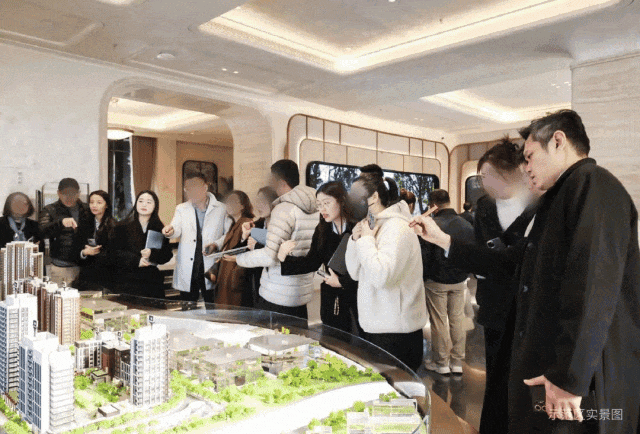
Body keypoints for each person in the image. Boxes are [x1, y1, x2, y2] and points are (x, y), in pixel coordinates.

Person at [411, 110, 640, 434]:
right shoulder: (557, 200)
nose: (526, 166)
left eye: (530, 156)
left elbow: (593, 288)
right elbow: (509, 263)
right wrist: (442, 239)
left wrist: (570, 379)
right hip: (548, 366)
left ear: (558, 141)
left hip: (581, 381)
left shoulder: (594, 186)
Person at [474, 138, 540, 434]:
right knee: (495, 377)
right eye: (482, 176)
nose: (485, 182)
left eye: (490, 175)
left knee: (523, 379)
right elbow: (480, 253)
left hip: (528, 307)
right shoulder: (484, 207)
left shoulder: (538, 204)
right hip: (494, 306)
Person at [345, 164, 427, 372]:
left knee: (398, 389)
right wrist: (355, 240)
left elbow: (382, 276)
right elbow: (355, 272)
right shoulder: (373, 224)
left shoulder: (397, 228)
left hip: (397, 334)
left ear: (373, 197)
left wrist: (366, 241)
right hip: (376, 327)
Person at [235, 160, 319, 322]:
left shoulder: (283, 209)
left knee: (271, 336)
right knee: (298, 336)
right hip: (302, 293)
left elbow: (270, 256)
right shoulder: (316, 209)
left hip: (277, 293)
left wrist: (238, 258)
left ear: (279, 182)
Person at [277, 181, 361, 336]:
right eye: (319, 204)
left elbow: (367, 268)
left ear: (341, 201)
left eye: (327, 203)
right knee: (333, 341)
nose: (322, 209)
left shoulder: (358, 227)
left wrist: (342, 282)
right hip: (331, 297)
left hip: (358, 296)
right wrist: (284, 258)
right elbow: (312, 262)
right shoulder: (322, 228)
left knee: (361, 342)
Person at [421, 189, 474, 376]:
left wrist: (424, 277)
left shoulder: (432, 225)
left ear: (433, 205)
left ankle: (442, 363)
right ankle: (457, 362)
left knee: (439, 322)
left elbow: (425, 257)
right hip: (459, 280)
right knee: (457, 320)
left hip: (436, 280)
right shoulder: (466, 224)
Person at [162, 172, 231, 302]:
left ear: (205, 187)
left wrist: (216, 244)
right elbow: (176, 228)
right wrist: (170, 231)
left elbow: (228, 234)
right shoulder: (181, 208)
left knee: (212, 303)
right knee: (188, 303)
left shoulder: (221, 208)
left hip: (210, 264)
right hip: (189, 265)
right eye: (188, 189)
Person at [111, 190, 173, 299]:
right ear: (136, 204)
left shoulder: (159, 228)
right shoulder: (122, 227)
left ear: (155, 206)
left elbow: (167, 255)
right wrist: (136, 261)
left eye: (149, 202)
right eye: (140, 201)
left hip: (152, 284)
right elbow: (114, 253)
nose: (144, 205)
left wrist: (152, 253)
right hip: (128, 282)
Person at [39, 178, 93, 285]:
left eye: (72, 193)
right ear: (58, 193)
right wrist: (60, 223)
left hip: (85, 266)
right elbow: (42, 231)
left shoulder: (87, 209)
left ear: (78, 194)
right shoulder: (50, 209)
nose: (69, 197)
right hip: (61, 266)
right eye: (65, 193)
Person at [212, 191, 255, 306]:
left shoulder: (246, 224)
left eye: (233, 201)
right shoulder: (233, 224)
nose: (229, 205)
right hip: (227, 276)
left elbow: (247, 250)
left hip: (236, 279)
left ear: (242, 206)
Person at [238, 186, 278, 308]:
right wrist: (244, 237)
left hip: (276, 284)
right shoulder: (256, 225)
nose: (259, 206)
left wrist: (256, 246)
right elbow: (241, 250)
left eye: (263, 201)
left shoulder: (281, 225)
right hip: (256, 282)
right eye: (257, 201)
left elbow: (276, 252)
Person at [73, 190, 116, 292]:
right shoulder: (84, 224)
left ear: (106, 205)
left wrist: (99, 253)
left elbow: (116, 255)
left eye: (99, 202)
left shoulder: (114, 226)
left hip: (106, 278)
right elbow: (74, 250)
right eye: (92, 202)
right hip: (86, 278)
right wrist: (84, 252)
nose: (94, 206)